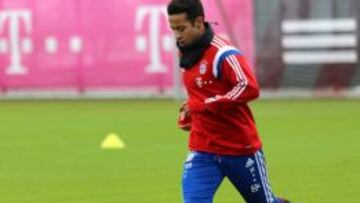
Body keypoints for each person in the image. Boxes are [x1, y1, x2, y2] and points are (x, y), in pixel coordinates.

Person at [167, 0, 291, 203]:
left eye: (181, 28)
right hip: (202, 150)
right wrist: (192, 112)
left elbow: (249, 87)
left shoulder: (224, 54)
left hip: (240, 149)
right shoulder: (186, 52)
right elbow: (201, 94)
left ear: (198, 23)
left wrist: (205, 105)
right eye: (173, 29)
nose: (177, 35)